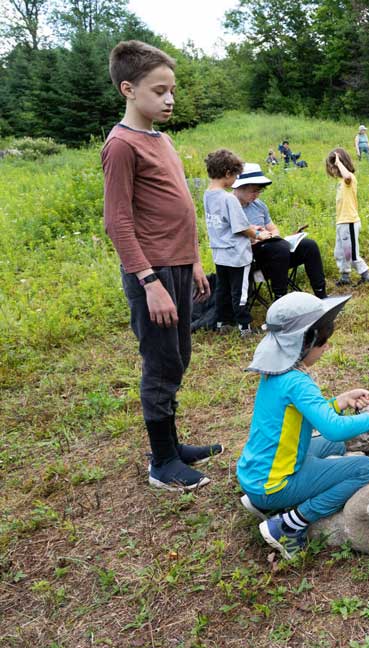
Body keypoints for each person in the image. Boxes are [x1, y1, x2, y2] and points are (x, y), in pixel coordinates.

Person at [101, 40, 218, 491]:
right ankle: (162, 463)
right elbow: (118, 221)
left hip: (178, 267)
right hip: (151, 273)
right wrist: (149, 281)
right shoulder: (121, 145)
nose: (169, 99)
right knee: (160, 362)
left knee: (180, 355)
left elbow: (177, 209)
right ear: (128, 89)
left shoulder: (161, 138)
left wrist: (192, 262)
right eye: (159, 90)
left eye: (172, 90)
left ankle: (169, 445)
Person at [237, 293, 369, 559]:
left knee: (335, 446)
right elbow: (335, 428)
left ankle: (262, 502)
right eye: (323, 340)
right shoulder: (298, 382)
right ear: (306, 341)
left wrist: (339, 402)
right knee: (365, 469)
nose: (327, 347)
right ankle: (289, 524)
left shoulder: (278, 374)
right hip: (274, 485)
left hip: (256, 475)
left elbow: (305, 416)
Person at [232, 163, 328, 300]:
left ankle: (321, 294)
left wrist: (272, 235)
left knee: (309, 245)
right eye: (253, 191)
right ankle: (280, 299)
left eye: (259, 191)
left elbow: (273, 228)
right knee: (279, 248)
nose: (257, 195)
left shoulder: (259, 205)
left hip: (274, 253)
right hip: (249, 258)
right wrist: (256, 236)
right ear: (239, 187)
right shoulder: (231, 206)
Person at [203, 149, 258, 337]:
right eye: (235, 175)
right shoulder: (229, 198)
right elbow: (241, 228)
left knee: (222, 289)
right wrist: (257, 234)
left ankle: (221, 322)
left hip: (219, 253)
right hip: (237, 254)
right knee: (240, 292)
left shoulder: (207, 195)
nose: (236, 180)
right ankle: (244, 326)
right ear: (227, 173)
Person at [325, 148, 369, 286]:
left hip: (350, 222)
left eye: (334, 167)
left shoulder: (349, 179)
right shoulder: (341, 182)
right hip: (342, 223)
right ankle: (345, 276)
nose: (333, 170)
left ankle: (367, 276)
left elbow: (347, 176)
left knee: (352, 254)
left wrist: (338, 162)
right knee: (340, 253)